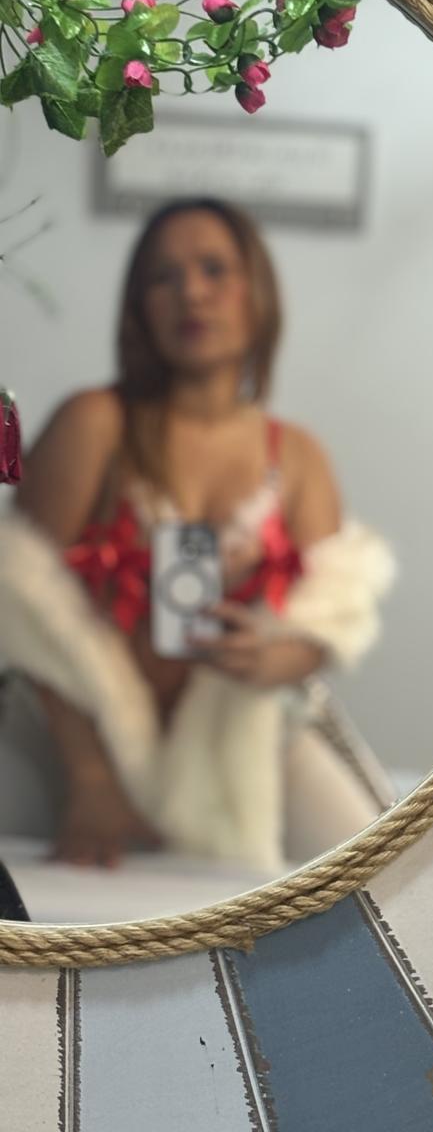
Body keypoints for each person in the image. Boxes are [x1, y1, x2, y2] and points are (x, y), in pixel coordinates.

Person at [0, 197, 396, 873]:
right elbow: (22, 604)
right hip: (66, 731)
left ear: (256, 291)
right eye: (164, 276)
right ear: (139, 306)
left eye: (214, 269)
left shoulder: (297, 457)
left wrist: (277, 659)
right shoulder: (93, 423)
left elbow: (330, 618)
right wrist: (90, 776)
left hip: (241, 736)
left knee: (371, 875)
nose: (191, 292)